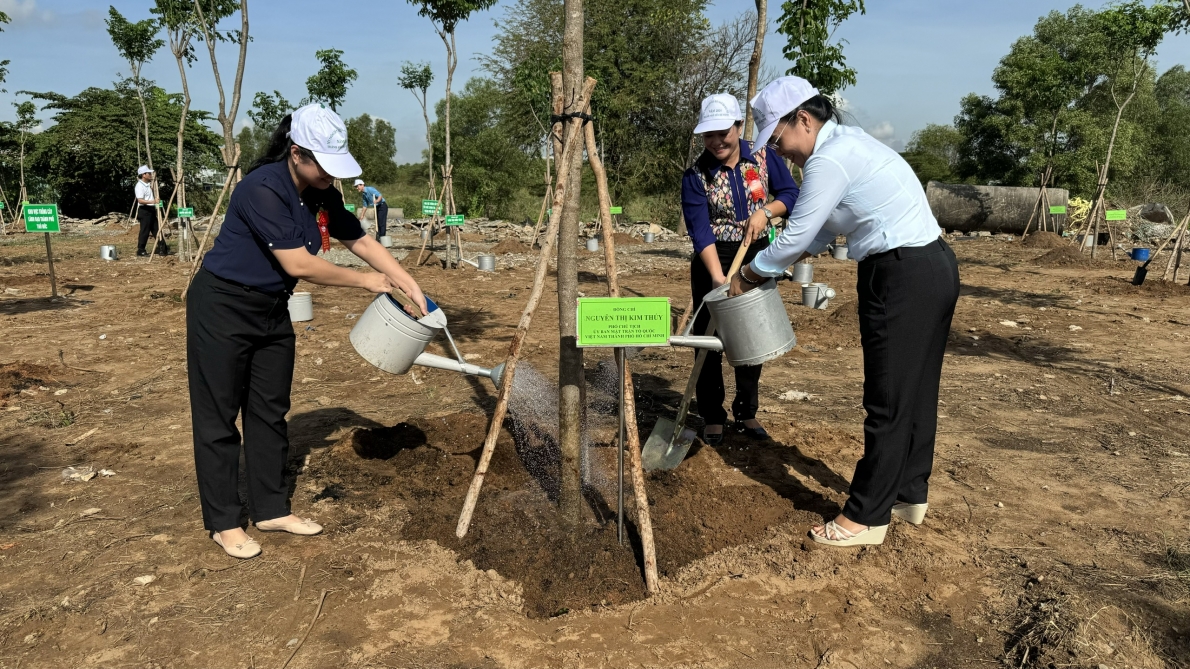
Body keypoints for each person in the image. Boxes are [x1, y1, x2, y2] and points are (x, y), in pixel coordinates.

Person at [187, 103, 428, 559]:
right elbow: (298, 263)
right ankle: (223, 521)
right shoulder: (262, 189)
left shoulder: (322, 192)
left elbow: (359, 239)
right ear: (296, 153)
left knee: (269, 409)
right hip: (222, 306)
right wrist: (369, 281)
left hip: (272, 309)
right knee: (218, 415)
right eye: (323, 165)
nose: (329, 177)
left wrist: (406, 280)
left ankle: (271, 508)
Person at [731, 76, 959, 547]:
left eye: (781, 138)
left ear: (805, 120)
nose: (783, 151)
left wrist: (751, 275)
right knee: (915, 392)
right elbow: (816, 234)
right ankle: (908, 493)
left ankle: (865, 518)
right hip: (932, 264)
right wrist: (775, 264)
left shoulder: (830, 160)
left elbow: (794, 239)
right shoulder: (850, 148)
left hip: (901, 274)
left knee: (887, 399)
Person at [680, 93, 800, 445]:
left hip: (756, 256)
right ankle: (712, 415)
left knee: (752, 334)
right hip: (712, 259)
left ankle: (746, 411)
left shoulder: (764, 156)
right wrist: (718, 279)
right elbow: (699, 229)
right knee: (708, 339)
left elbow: (790, 193)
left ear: (738, 128)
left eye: (723, 132)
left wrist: (767, 211)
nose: (716, 141)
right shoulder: (696, 174)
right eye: (708, 135)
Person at [133, 165, 165, 256]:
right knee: (145, 230)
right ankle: (141, 249)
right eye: (149, 173)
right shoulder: (139, 186)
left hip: (151, 209)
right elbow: (140, 200)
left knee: (157, 229)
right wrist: (153, 201)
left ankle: (163, 248)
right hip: (144, 210)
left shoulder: (147, 185)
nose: (151, 175)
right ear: (143, 175)